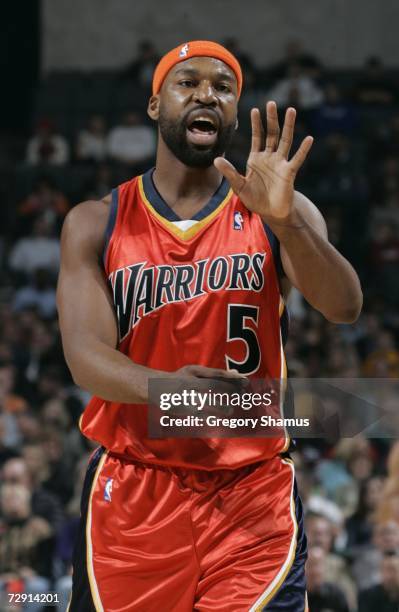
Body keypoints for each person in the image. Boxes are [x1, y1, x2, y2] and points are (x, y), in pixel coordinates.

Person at [57, 40, 362, 611]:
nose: (207, 95)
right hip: (136, 490)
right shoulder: (96, 222)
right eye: (188, 82)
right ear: (155, 105)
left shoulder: (280, 211)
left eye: (223, 88)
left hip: (251, 491)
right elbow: (83, 354)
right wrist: (167, 391)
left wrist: (288, 223)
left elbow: (345, 307)